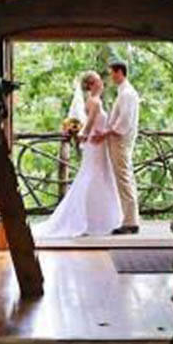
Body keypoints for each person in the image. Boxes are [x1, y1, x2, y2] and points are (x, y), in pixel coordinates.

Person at [35, 71, 122, 239]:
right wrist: (85, 136)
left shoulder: (95, 101)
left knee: (99, 177)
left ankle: (99, 218)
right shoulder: (94, 102)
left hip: (98, 144)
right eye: (98, 81)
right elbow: (88, 126)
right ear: (91, 85)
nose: (102, 84)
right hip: (95, 145)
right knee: (93, 177)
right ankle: (91, 220)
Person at [92, 59, 140, 234]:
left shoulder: (127, 93)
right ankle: (130, 218)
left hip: (121, 141)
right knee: (125, 177)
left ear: (120, 72)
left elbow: (124, 121)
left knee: (124, 178)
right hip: (119, 140)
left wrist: (106, 133)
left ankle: (130, 221)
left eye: (112, 72)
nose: (111, 77)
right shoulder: (125, 92)